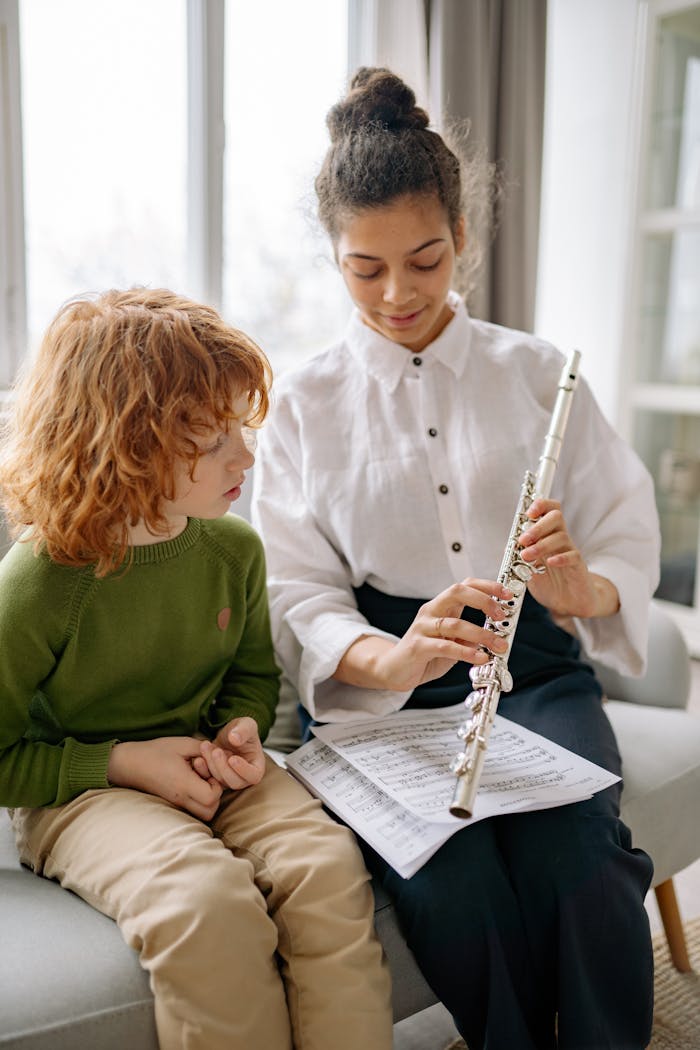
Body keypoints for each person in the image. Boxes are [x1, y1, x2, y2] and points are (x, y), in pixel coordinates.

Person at [252, 68, 660, 1050]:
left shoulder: (535, 372)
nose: (397, 294)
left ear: (461, 239)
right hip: (381, 685)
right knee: (451, 882)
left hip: (534, 669)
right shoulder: (303, 402)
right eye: (365, 269)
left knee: (582, 864)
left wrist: (578, 586)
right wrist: (380, 659)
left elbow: (621, 530)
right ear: (335, 258)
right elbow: (295, 585)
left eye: (425, 260)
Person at [0, 287, 392, 1050]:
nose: (246, 456)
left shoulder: (233, 550)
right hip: (79, 792)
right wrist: (121, 762)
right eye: (213, 439)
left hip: (214, 766)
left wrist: (240, 729)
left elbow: (252, 677)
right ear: (124, 442)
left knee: (326, 868)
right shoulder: (41, 583)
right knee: (208, 905)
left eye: (241, 428)